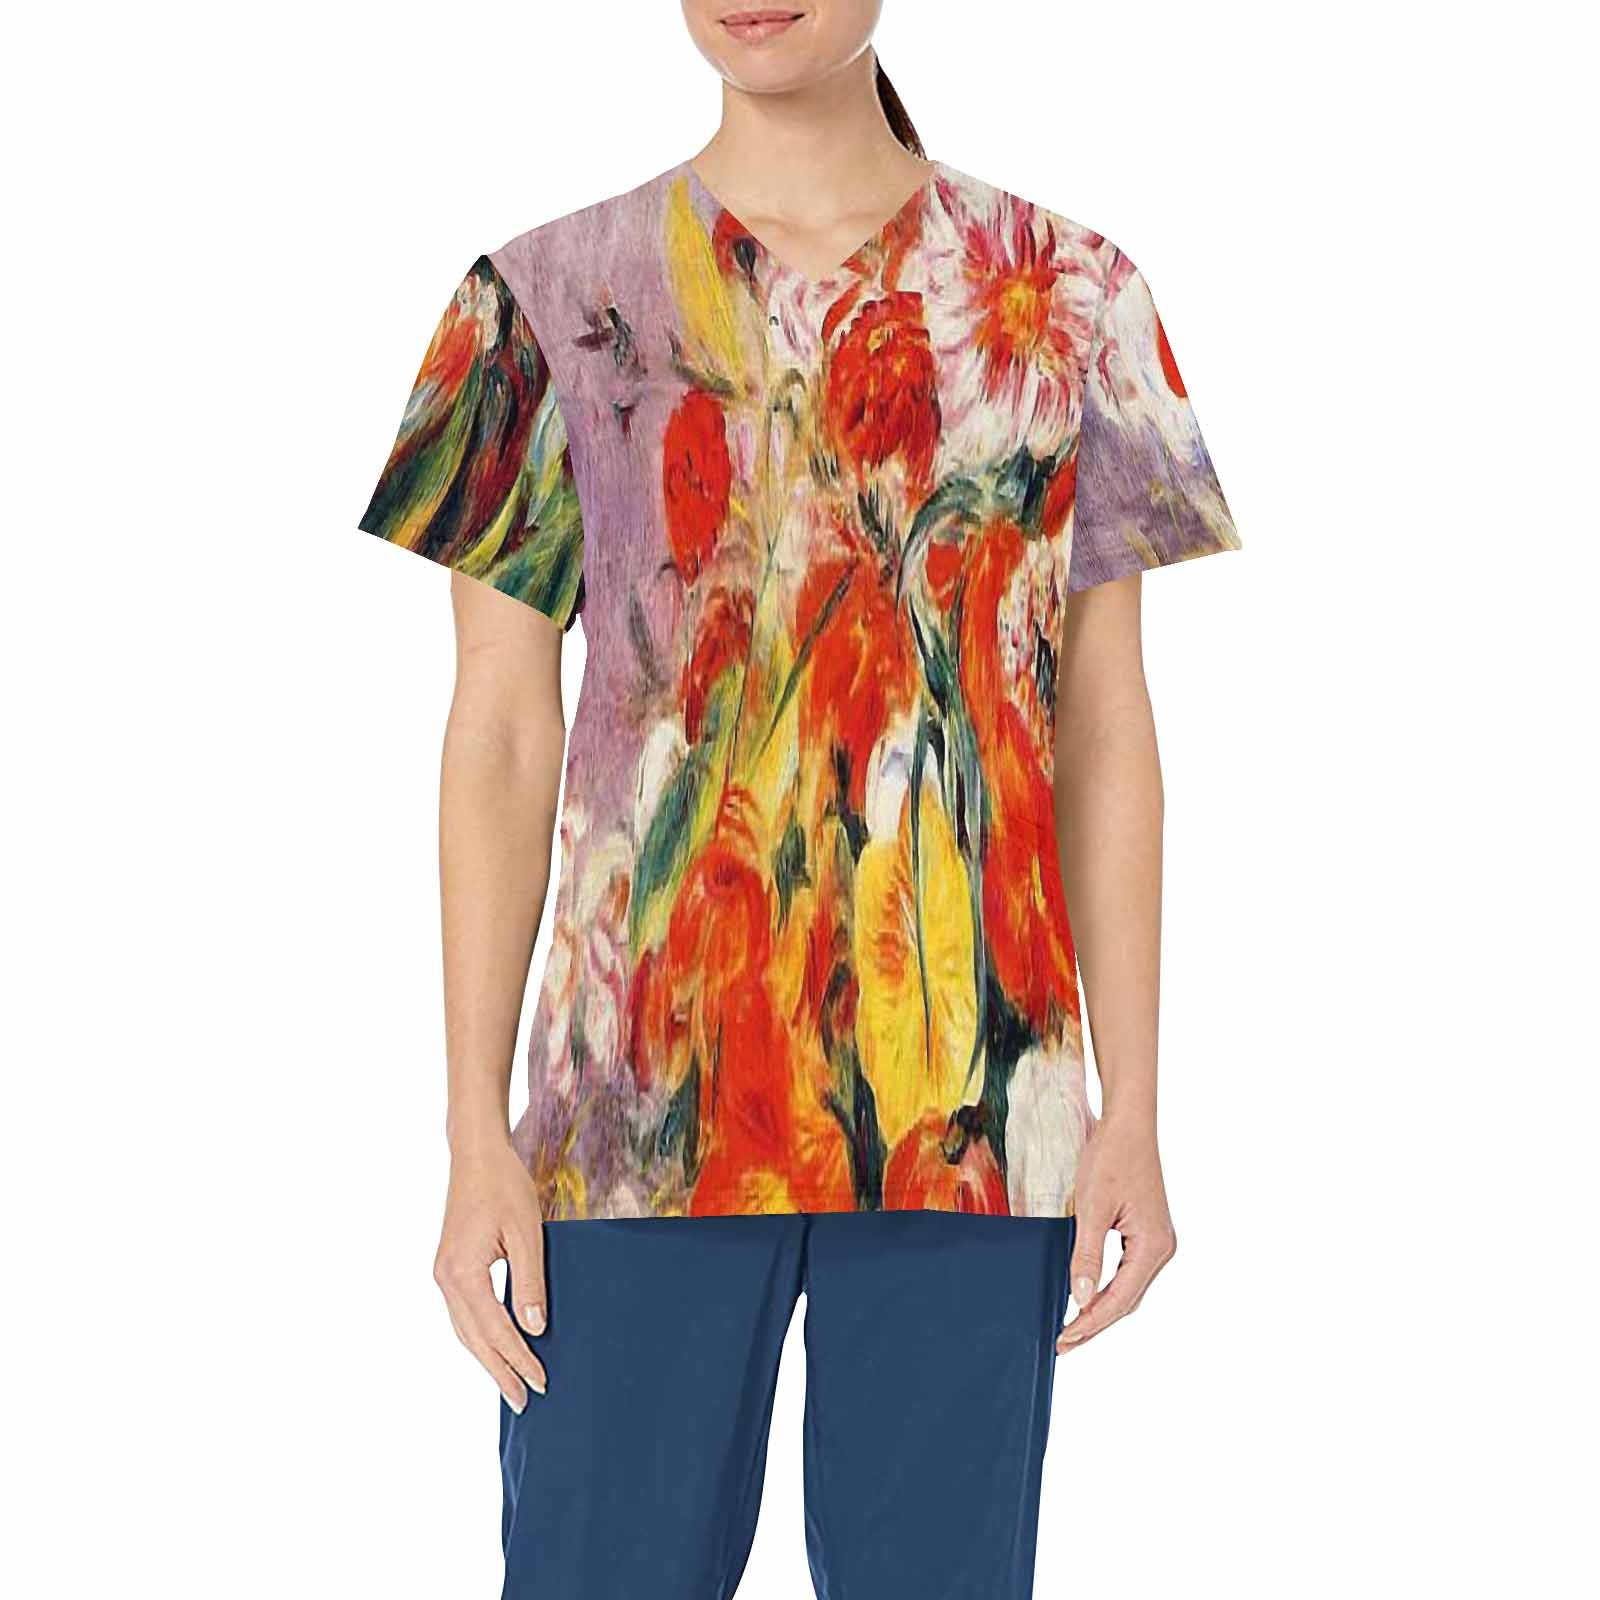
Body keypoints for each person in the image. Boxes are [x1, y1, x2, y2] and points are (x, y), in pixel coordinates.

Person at [357, 3, 1238, 1594]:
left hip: (973, 1106)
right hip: (634, 1112)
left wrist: (1134, 1108)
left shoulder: (1071, 295)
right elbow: (497, 732)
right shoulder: (541, 303)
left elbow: (1103, 724)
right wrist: (473, 1128)